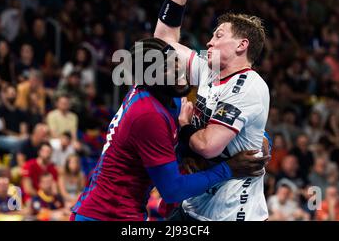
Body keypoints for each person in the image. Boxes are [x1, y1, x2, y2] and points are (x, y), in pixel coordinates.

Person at [71, 38, 268, 221]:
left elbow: (211, 125)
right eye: (165, 67)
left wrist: (258, 136)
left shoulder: (167, 97)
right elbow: (173, 189)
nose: (177, 69)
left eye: (175, 60)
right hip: (105, 214)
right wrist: (229, 169)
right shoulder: (148, 113)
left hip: (122, 210)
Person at [154, 0, 271, 221]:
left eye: (218, 36)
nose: (209, 42)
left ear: (242, 45)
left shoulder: (249, 86)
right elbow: (163, 40)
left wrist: (184, 127)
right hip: (194, 206)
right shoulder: (209, 69)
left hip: (231, 215)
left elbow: (208, 146)